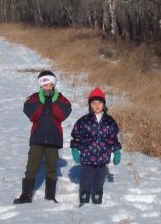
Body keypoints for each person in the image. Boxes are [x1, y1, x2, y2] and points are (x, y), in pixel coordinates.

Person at [14, 70, 72, 204]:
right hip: (37, 138)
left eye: (50, 85)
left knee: (51, 167)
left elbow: (61, 116)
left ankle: (50, 196)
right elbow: (33, 115)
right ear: (40, 86)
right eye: (45, 85)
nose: (48, 88)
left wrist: (53, 101)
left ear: (54, 84)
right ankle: (25, 196)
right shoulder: (33, 99)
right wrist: (41, 101)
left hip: (53, 138)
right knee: (32, 167)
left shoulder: (61, 99)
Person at [70, 87, 122, 206]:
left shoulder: (110, 121)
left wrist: (117, 151)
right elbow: (76, 136)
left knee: (100, 179)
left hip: (103, 157)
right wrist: (75, 149)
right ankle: (84, 195)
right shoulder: (83, 121)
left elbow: (113, 138)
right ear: (90, 105)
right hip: (87, 157)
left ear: (103, 104)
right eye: (94, 103)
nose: (97, 106)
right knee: (86, 178)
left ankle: (98, 195)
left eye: (99, 103)